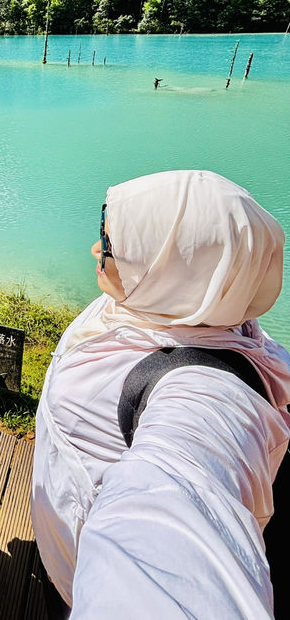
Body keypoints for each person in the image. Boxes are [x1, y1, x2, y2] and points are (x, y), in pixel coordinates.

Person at [31, 170, 290, 619]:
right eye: (103, 232)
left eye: (110, 244)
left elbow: (174, 523)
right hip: (65, 547)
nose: (97, 251)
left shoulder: (202, 391)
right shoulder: (175, 307)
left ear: (171, 266)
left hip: (84, 582)